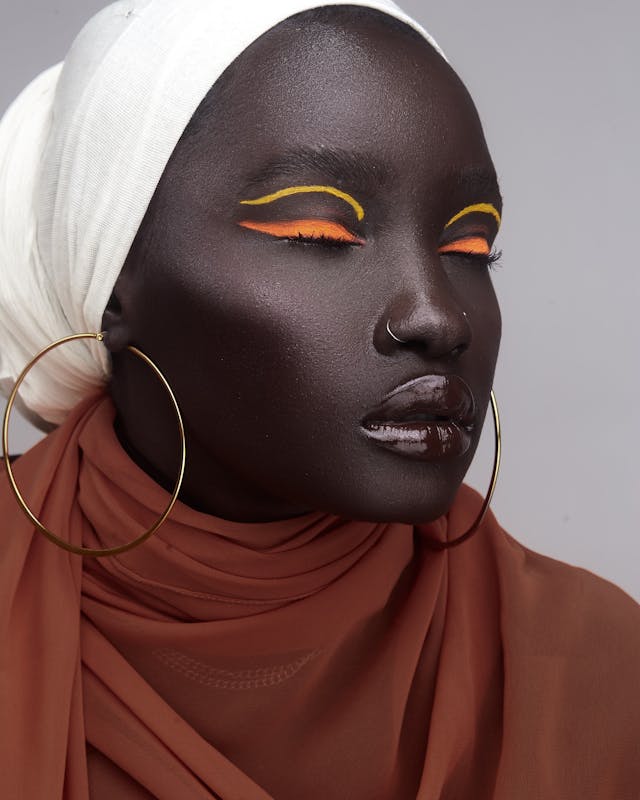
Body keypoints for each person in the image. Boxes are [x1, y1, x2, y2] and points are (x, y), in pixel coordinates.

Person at [0, 1, 638, 798]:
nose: (438, 316)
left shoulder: (600, 677)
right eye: (319, 235)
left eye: (470, 246)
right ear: (113, 283)